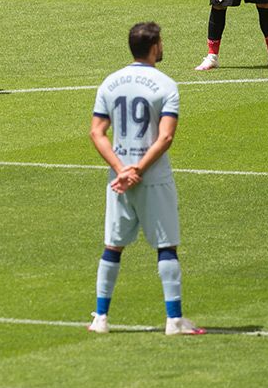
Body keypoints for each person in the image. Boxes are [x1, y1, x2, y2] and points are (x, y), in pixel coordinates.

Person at [87, 22, 204, 336]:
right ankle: (174, 320)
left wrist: (122, 169)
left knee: (112, 247)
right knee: (166, 246)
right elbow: (165, 138)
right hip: (154, 178)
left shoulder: (109, 83)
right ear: (154, 47)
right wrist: (138, 170)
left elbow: (97, 132)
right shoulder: (165, 85)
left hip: (118, 180)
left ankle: (100, 318)